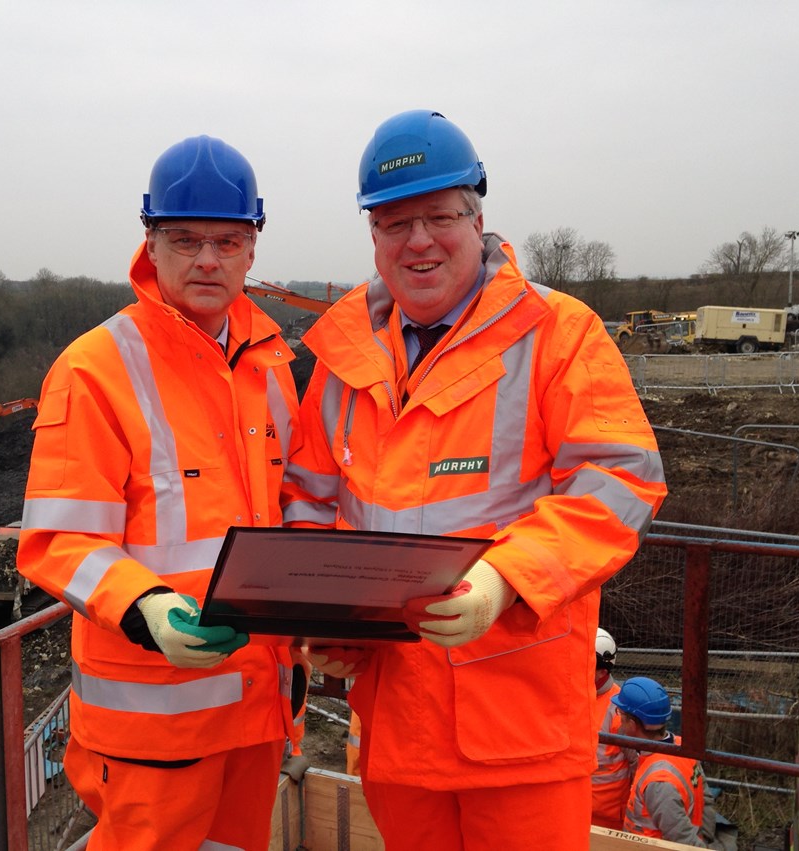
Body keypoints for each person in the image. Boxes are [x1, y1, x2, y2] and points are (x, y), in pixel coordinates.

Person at [282, 109, 667, 851]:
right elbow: (307, 499)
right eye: (395, 223)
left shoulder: (557, 333)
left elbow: (620, 479)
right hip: (393, 717)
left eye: (437, 216)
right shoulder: (341, 355)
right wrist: (321, 623)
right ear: (372, 236)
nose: (418, 240)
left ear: (476, 214)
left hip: (517, 725)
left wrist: (503, 578)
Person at [16, 135, 302, 850]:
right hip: (155, 727)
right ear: (150, 242)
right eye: (185, 240)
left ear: (252, 247)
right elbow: (58, 538)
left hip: (258, 707)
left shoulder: (271, 367)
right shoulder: (95, 368)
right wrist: (145, 605)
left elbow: (290, 507)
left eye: (226, 240)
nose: (207, 259)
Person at [614, 677, 713, 847]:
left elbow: (683, 840)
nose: (618, 719)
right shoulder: (682, 746)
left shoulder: (659, 782)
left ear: (631, 724)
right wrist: (707, 837)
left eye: (620, 714)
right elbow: (706, 798)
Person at [592, 627, 636, 829]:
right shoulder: (574, 697)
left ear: (602, 670)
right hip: (575, 807)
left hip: (608, 818)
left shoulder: (620, 710)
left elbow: (638, 764)